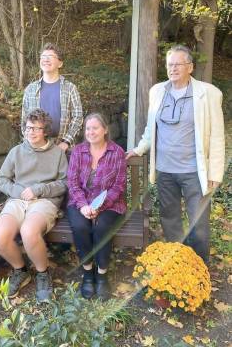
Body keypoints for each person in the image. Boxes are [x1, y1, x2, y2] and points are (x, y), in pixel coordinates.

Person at [126, 45, 225, 263]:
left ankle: (200, 271)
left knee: (199, 225)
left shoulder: (208, 94)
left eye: (178, 64)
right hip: (165, 171)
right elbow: (151, 129)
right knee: (170, 221)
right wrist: (139, 148)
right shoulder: (157, 92)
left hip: (193, 172)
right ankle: (177, 268)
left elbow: (217, 136)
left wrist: (215, 173)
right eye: (169, 64)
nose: (172, 68)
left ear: (190, 67)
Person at [0, 109, 68, 302]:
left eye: (36, 128)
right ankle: (20, 269)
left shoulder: (57, 154)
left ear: (45, 131)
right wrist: (19, 192)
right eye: (28, 128)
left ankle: (43, 273)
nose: (31, 132)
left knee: (28, 231)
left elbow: (65, 183)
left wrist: (39, 189)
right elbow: (2, 181)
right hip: (18, 201)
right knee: (0, 236)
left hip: (44, 202)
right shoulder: (16, 152)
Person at [67, 113, 127, 300]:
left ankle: (102, 274)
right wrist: (84, 206)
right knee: (80, 226)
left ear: (105, 130)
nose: (91, 132)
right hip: (80, 202)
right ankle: (87, 273)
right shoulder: (78, 151)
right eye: (88, 128)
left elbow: (119, 186)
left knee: (102, 226)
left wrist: (99, 207)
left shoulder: (116, 152)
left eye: (95, 128)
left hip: (109, 204)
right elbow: (73, 182)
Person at [22, 42, 83, 151]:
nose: (46, 59)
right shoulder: (30, 89)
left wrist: (66, 142)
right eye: (43, 57)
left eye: (50, 56)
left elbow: (78, 118)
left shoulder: (70, 88)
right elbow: (24, 120)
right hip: (36, 148)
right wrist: (29, 141)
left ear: (60, 63)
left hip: (62, 148)